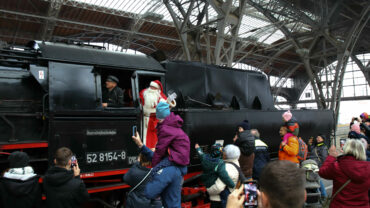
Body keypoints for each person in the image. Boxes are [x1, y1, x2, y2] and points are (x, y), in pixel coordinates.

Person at [132, 132, 187, 208]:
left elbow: (150, 193)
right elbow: (153, 156)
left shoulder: (168, 170)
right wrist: (140, 144)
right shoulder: (171, 162)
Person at [319, 140, 370, 208]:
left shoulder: (337, 166)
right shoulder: (368, 167)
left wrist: (331, 156)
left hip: (340, 205)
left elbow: (322, 172)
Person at [151, 102, 190, 167]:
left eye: (159, 118)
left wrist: (154, 165)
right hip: (183, 156)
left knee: (157, 170)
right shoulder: (172, 122)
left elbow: (160, 149)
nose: (157, 120)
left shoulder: (165, 129)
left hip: (178, 158)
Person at [139, 80, 175, 148]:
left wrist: (169, 101)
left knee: (153, 140)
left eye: (154, 87)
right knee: (143, 137)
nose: (152, 88)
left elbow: (166, 108)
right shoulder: (144, 92)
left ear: (158, 89)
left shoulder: (161, 96)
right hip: (144, 119)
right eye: (151, 87)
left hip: (155, 120)